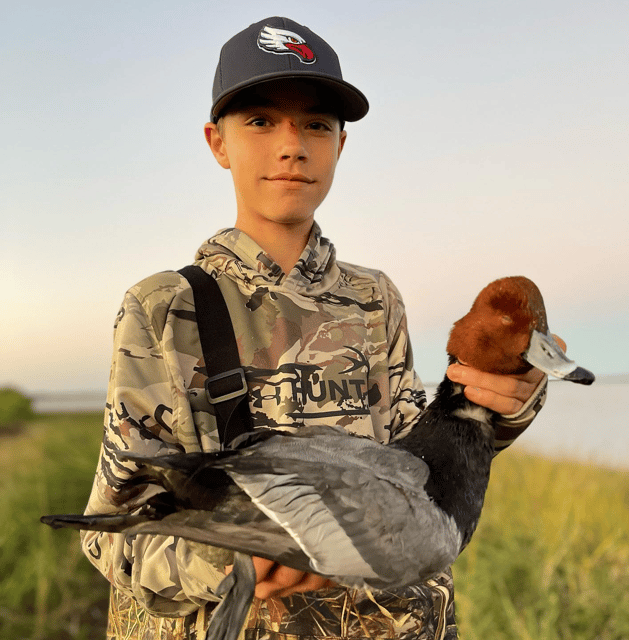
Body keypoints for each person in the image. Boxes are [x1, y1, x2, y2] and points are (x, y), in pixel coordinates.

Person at [81, 16, 550, 640]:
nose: (291, 145)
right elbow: (113, 535)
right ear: (216, 143)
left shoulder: (375, 297)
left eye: (315, 124)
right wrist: (231, 558)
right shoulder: (163, 308)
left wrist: (499, 405)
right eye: (260, 121)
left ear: (340, 145)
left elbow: (422, 472)